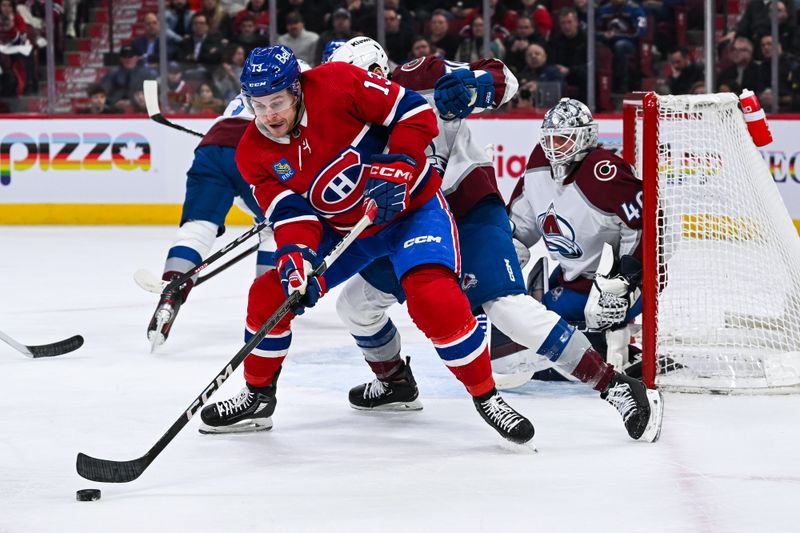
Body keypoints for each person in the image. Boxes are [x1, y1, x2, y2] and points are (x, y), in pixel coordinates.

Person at [328, 38, 663, 444]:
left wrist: (472, 87)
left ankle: (615, 386)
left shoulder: (421, 77)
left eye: (363, 77)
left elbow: (506, 80)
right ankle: (396, 382)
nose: (356, 89)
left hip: (466, 211)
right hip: (403, 224)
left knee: (508, 309)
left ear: (381, 71)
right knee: (355, 306)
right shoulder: (338, 124)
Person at [198, 45, 535, 446]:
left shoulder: (338, 83)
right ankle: (258, 397)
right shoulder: (253, 151)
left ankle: (486, 396)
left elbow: (413, 111)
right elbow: (292, 216)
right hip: (346, 231)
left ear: (297, 89)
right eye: (259, 105)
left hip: (412, 209)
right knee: (270, 293)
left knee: (432, 295)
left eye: (277, 102)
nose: (269, 116)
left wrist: (400, 163)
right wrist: (296, 257)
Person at [147, 94, 275, 350]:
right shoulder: (297, 89)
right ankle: (271, 307)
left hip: (213, 143)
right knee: (278, 228)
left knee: (198, 227)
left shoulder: (251, 87)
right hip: (256, 145)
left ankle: (172, 292)